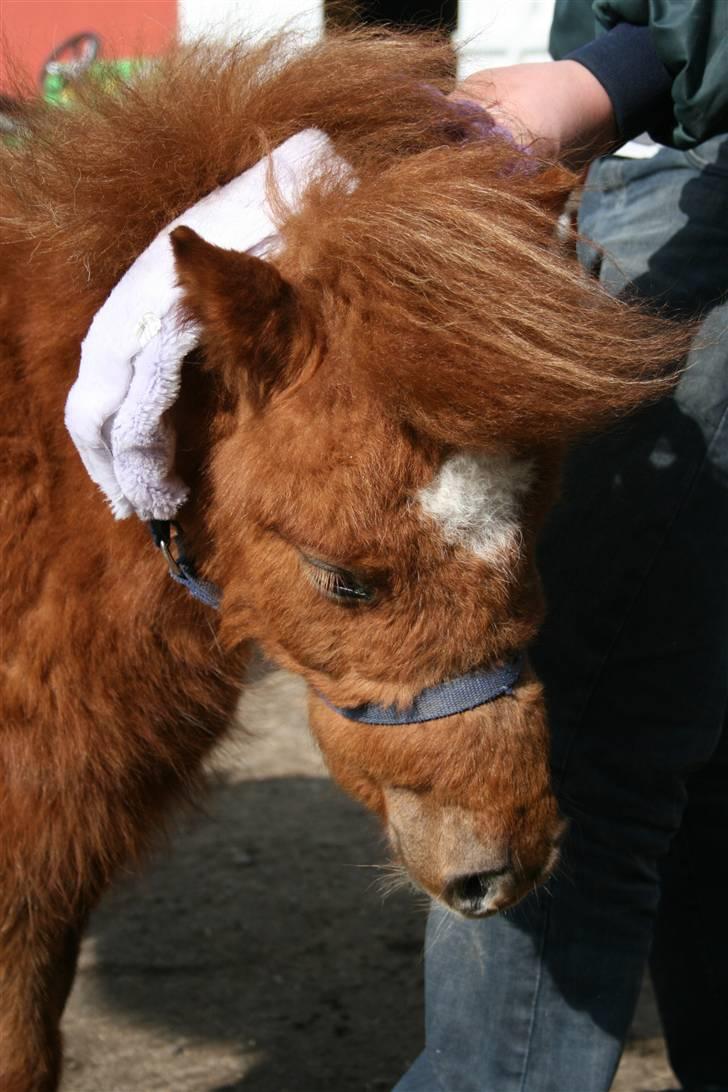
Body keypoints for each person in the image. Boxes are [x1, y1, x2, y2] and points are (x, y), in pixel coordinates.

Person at [395, 3, 728, 1090]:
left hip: (691, 158)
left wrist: (610, 79)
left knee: (573, 730)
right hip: (661, 145)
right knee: (692, 702)